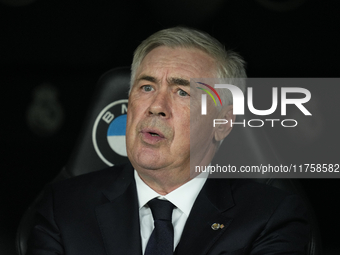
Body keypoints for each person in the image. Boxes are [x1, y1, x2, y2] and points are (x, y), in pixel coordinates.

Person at [27, 27, 310, 255]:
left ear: (222, 123)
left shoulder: (271, 217)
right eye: (146, 87)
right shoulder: (63, 208)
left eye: (182, 92)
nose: (156, 105)